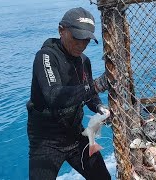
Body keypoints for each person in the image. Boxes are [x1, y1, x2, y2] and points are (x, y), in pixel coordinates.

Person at [26, 7, 111, 180]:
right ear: (61, 30)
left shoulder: (83, 60)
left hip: (76, 135)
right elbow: (53, 95)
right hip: (46, 141)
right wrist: (95, 86)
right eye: (77, 37)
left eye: (86, 39)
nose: (81, 44)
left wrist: (98, 106)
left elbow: (88, 93)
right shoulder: (46, 57)